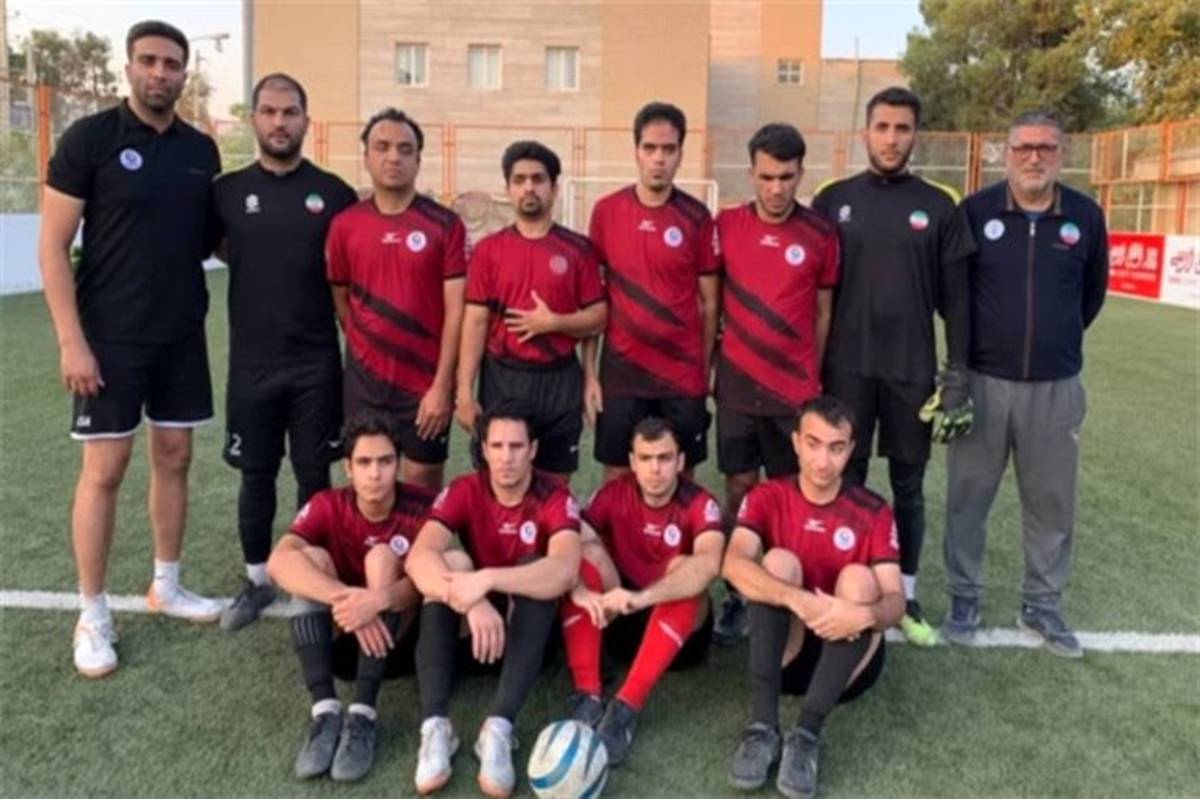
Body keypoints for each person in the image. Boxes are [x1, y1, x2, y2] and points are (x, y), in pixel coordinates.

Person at [38, 20, 224, 678]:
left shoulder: (201, 151)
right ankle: (92, 612)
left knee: (175, 456)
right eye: (149, 61)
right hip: (109, 338)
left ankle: (166, 584)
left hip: (182, 332)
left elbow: (214, 238)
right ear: (129, 68)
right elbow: (52, 246)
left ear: (183, 74)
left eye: (171, 64)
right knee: (106, 469)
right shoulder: (90, 140)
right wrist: (72, 341)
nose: (160, 73)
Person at [810, 87, 975, 646]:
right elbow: (810, 291)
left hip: (911, 370)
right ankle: (843, 584)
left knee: (908, 485)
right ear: (865, 132)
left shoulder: (941, 203)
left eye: (902, 128)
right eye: (882, 127)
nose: (891, 138)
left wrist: (958, 373)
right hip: (846, 370)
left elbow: (957, 302)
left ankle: (904, 594)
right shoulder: (832, 199)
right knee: (844, 479)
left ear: (915, 135)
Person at [941, 110, 1109, 659]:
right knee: (968, 498)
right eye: (1023, 148)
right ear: (1006, 153)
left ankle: (1041, 604)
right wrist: (963, 370)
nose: (1034, 157)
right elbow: (956, 298)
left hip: (1057, 388)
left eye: (1046, 147)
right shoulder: (976, 212)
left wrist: (1054, 343)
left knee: (1052, 503)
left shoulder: (1085, 216)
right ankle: (964, 598)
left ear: (1062, 154)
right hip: (984, 383)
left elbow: (1092, 294)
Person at [213, 73, 359, 631]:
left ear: (306, 121)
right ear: (254, 119)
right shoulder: (226, 193)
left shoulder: (335, 194)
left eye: (290, 112)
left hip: (316, 362)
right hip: (251, 364)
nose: (280, 122)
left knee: (313, 474)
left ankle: (313, 582)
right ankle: (256, 581)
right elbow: (223, 248)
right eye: (270, 112)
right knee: (256, 474)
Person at [723, 396, 903, 799]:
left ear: (850, 450)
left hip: (849, 663)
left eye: (836, 448)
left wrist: (864, 616)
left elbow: (896, 600)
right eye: (814, 444)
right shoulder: (769, 495)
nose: (823, 461)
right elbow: (732, 564)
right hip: (787, 653)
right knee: (778, 563)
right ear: (796, 443)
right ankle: (761, 727)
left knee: (859, 580)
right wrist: (799, 600)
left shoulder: (872, 510)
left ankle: (806, 735)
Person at [405, 405, 582, 798]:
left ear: (533, 449)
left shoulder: (554, 495)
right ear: (483, 449)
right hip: (475, 635)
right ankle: (435, 727)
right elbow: (418, 558)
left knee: (536, 571)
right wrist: (471, 601)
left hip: (528, 639)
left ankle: (499, 728)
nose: (506, 457)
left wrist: (486, 579)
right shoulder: (465, 489)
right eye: (497, 446)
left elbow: (565, 570)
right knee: (448, 564)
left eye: (516, 446)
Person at [712, 123, 840, 644]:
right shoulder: (726, 225)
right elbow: (711, 299)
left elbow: (824, 312)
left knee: (793, 497)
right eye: (766, 177)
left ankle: (793, 593)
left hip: (795, 394)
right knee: (740, 489)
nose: (776, 188)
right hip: (738, 387)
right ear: (751, 174)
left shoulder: (821, 234)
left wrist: (814, 376)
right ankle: (736, 594)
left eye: (786, 177)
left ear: (801, 174)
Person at [266, 414, 434, 781]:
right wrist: (350, 599)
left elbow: (434, 579)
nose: (375, 473)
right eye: (364, 462)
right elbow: (278, 562)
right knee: (309, 560)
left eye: (385, 461)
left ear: (398, 464)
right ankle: (325, 710)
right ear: (348, 468)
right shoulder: (328, 504)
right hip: (340, 644)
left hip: (396, 643)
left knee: (382, 558)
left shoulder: (424, 506)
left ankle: (363, 713)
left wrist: (377, 601)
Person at [560, 416, 724, 765]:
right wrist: (599, 569)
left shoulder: (700, 503)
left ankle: (626, 707)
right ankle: (588, 693)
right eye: (646, 459)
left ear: (680, 461)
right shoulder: (613, 495)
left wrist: (640, 599)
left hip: (681, 640)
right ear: (632, 462)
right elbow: (570, 539)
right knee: (586, 553)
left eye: (665, 458)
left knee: (686, 567)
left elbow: (710, 564)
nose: (655, 469)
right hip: (621, 624)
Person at [325, 107, 468, 491]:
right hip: (365, 383)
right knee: (369, 486)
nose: (394, 157)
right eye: (383, 147)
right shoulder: (345, 225)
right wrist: (367, 343)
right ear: (366, 157)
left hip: (424, 385)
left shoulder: (445, 224)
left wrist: (443, 386)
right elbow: (342, 298)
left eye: (405, 149)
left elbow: (456, 311)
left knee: (422, 487)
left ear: (418, 160)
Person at [584, 101, 720, 483]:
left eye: (668, 149)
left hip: (681, 375)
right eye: (650, 148)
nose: (659, 158)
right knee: (617, 477)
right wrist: (590, 374)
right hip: (622, 373)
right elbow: (593, 301)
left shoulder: (697, 217)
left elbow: (710, 303)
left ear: (680, 154)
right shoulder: (607, 212)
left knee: (682, 476)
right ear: (636, 151)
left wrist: (702, 367)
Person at [455, 141, 607, 479]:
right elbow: (476, 321)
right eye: (519, 179)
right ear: (507, 188)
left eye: (538, 179)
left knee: (555, 483)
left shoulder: (578, 250)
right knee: (500, 481)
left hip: (560, 379)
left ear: (554, 188)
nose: (529, 187)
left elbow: (599, 317)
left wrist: (554, 322)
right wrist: (464, 390)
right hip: (504, 378)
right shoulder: (489, 251)